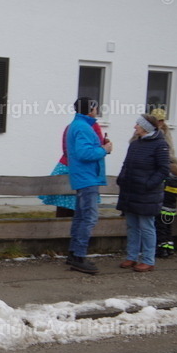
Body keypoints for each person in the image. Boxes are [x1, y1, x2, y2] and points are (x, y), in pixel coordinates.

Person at [116, 115, 170, 272]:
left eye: (138, 125)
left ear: (146, 127)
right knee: (132, 225)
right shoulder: (135, 144)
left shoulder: (160, 145)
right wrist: (122, 178)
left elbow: (163, 170)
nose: (135, 127)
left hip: (147, 193)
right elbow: (126, 164)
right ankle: (132, 257)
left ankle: (148, 259)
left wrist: (149, 185)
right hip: (130, 191)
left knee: (147, 226)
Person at [66, 97, 113, 274]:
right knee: (89, 217)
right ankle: (79, 256)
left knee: (80, 216)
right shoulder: (84, 127)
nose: (97, 109)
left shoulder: (78, 125)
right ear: (89, 109)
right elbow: (84, 153)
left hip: (82, 177)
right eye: (95, 107)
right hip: (87, 179)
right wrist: (104, 150)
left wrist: (101, 148)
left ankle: (73, 253)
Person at [39, 119, 105, 218]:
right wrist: (105, 149)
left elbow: (66, 149)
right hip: (83, 171)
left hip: (67, 166)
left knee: (65, 205)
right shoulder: (92, 126)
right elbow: (96, 148)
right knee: (81, 209)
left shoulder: (72, 126)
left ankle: (63, 230)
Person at [145, 108, 177, 258]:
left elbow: (170, 154)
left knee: (168, 209)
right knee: (159, 211)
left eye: (161, 120)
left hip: (169, 175)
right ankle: (161, 243)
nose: (160, 123)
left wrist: (176, 166)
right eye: (157, 120)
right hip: (158, 174)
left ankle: (167, 242)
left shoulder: (166, 132)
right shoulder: (146, 133)